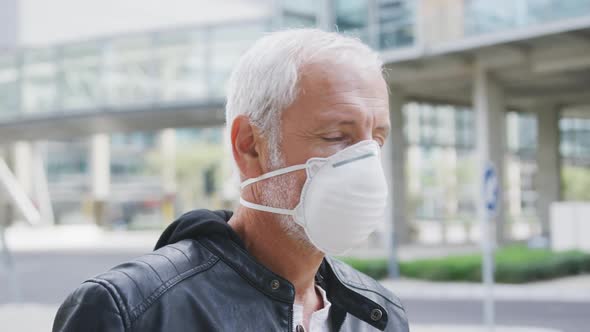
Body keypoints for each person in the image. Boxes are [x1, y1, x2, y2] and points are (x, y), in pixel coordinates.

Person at [53, 28, 409, 332]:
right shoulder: (130, 311)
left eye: (376, 140)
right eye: (335, 137)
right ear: (250, 146)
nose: (364, 165)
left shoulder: (379, 315)